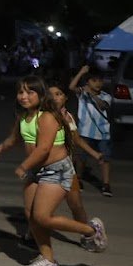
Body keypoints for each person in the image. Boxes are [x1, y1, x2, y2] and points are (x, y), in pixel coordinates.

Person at [0, 76, 106, 266]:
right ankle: (48, 260)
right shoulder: (25, 117)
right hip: (37, 171)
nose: (23, 96)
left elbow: (43, 149)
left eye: (29, 92)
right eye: (20, 92)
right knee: (31, 216)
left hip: (55, 170)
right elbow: (14, 138)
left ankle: (91, 231)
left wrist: (23, 166)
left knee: (42, 217)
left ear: (41, 94)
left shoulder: (48, 117)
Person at [46, 83, 101, 235]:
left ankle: (90, 234)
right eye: (51, 94)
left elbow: (77, 140)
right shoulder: (43, 116)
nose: (55, 98)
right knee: (41, 210)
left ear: (65, 98)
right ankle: (32, 237)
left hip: (66, 169)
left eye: (59, 94)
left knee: (76, 205)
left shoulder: (68, 117)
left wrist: (95, 154)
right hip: (46, 169)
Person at [69, 64, 114, 196]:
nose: (98, 83)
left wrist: (92, 95)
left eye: (100, 80)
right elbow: (71, 87)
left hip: (103, 132)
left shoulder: (106, 96)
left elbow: (103, 106)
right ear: (88, 81)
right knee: (81, 158)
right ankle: (79, 178)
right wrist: (81, 72)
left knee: (105, 158)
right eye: (94, 81)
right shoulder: (82, 94)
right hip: (85, 132)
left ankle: (106, 184)